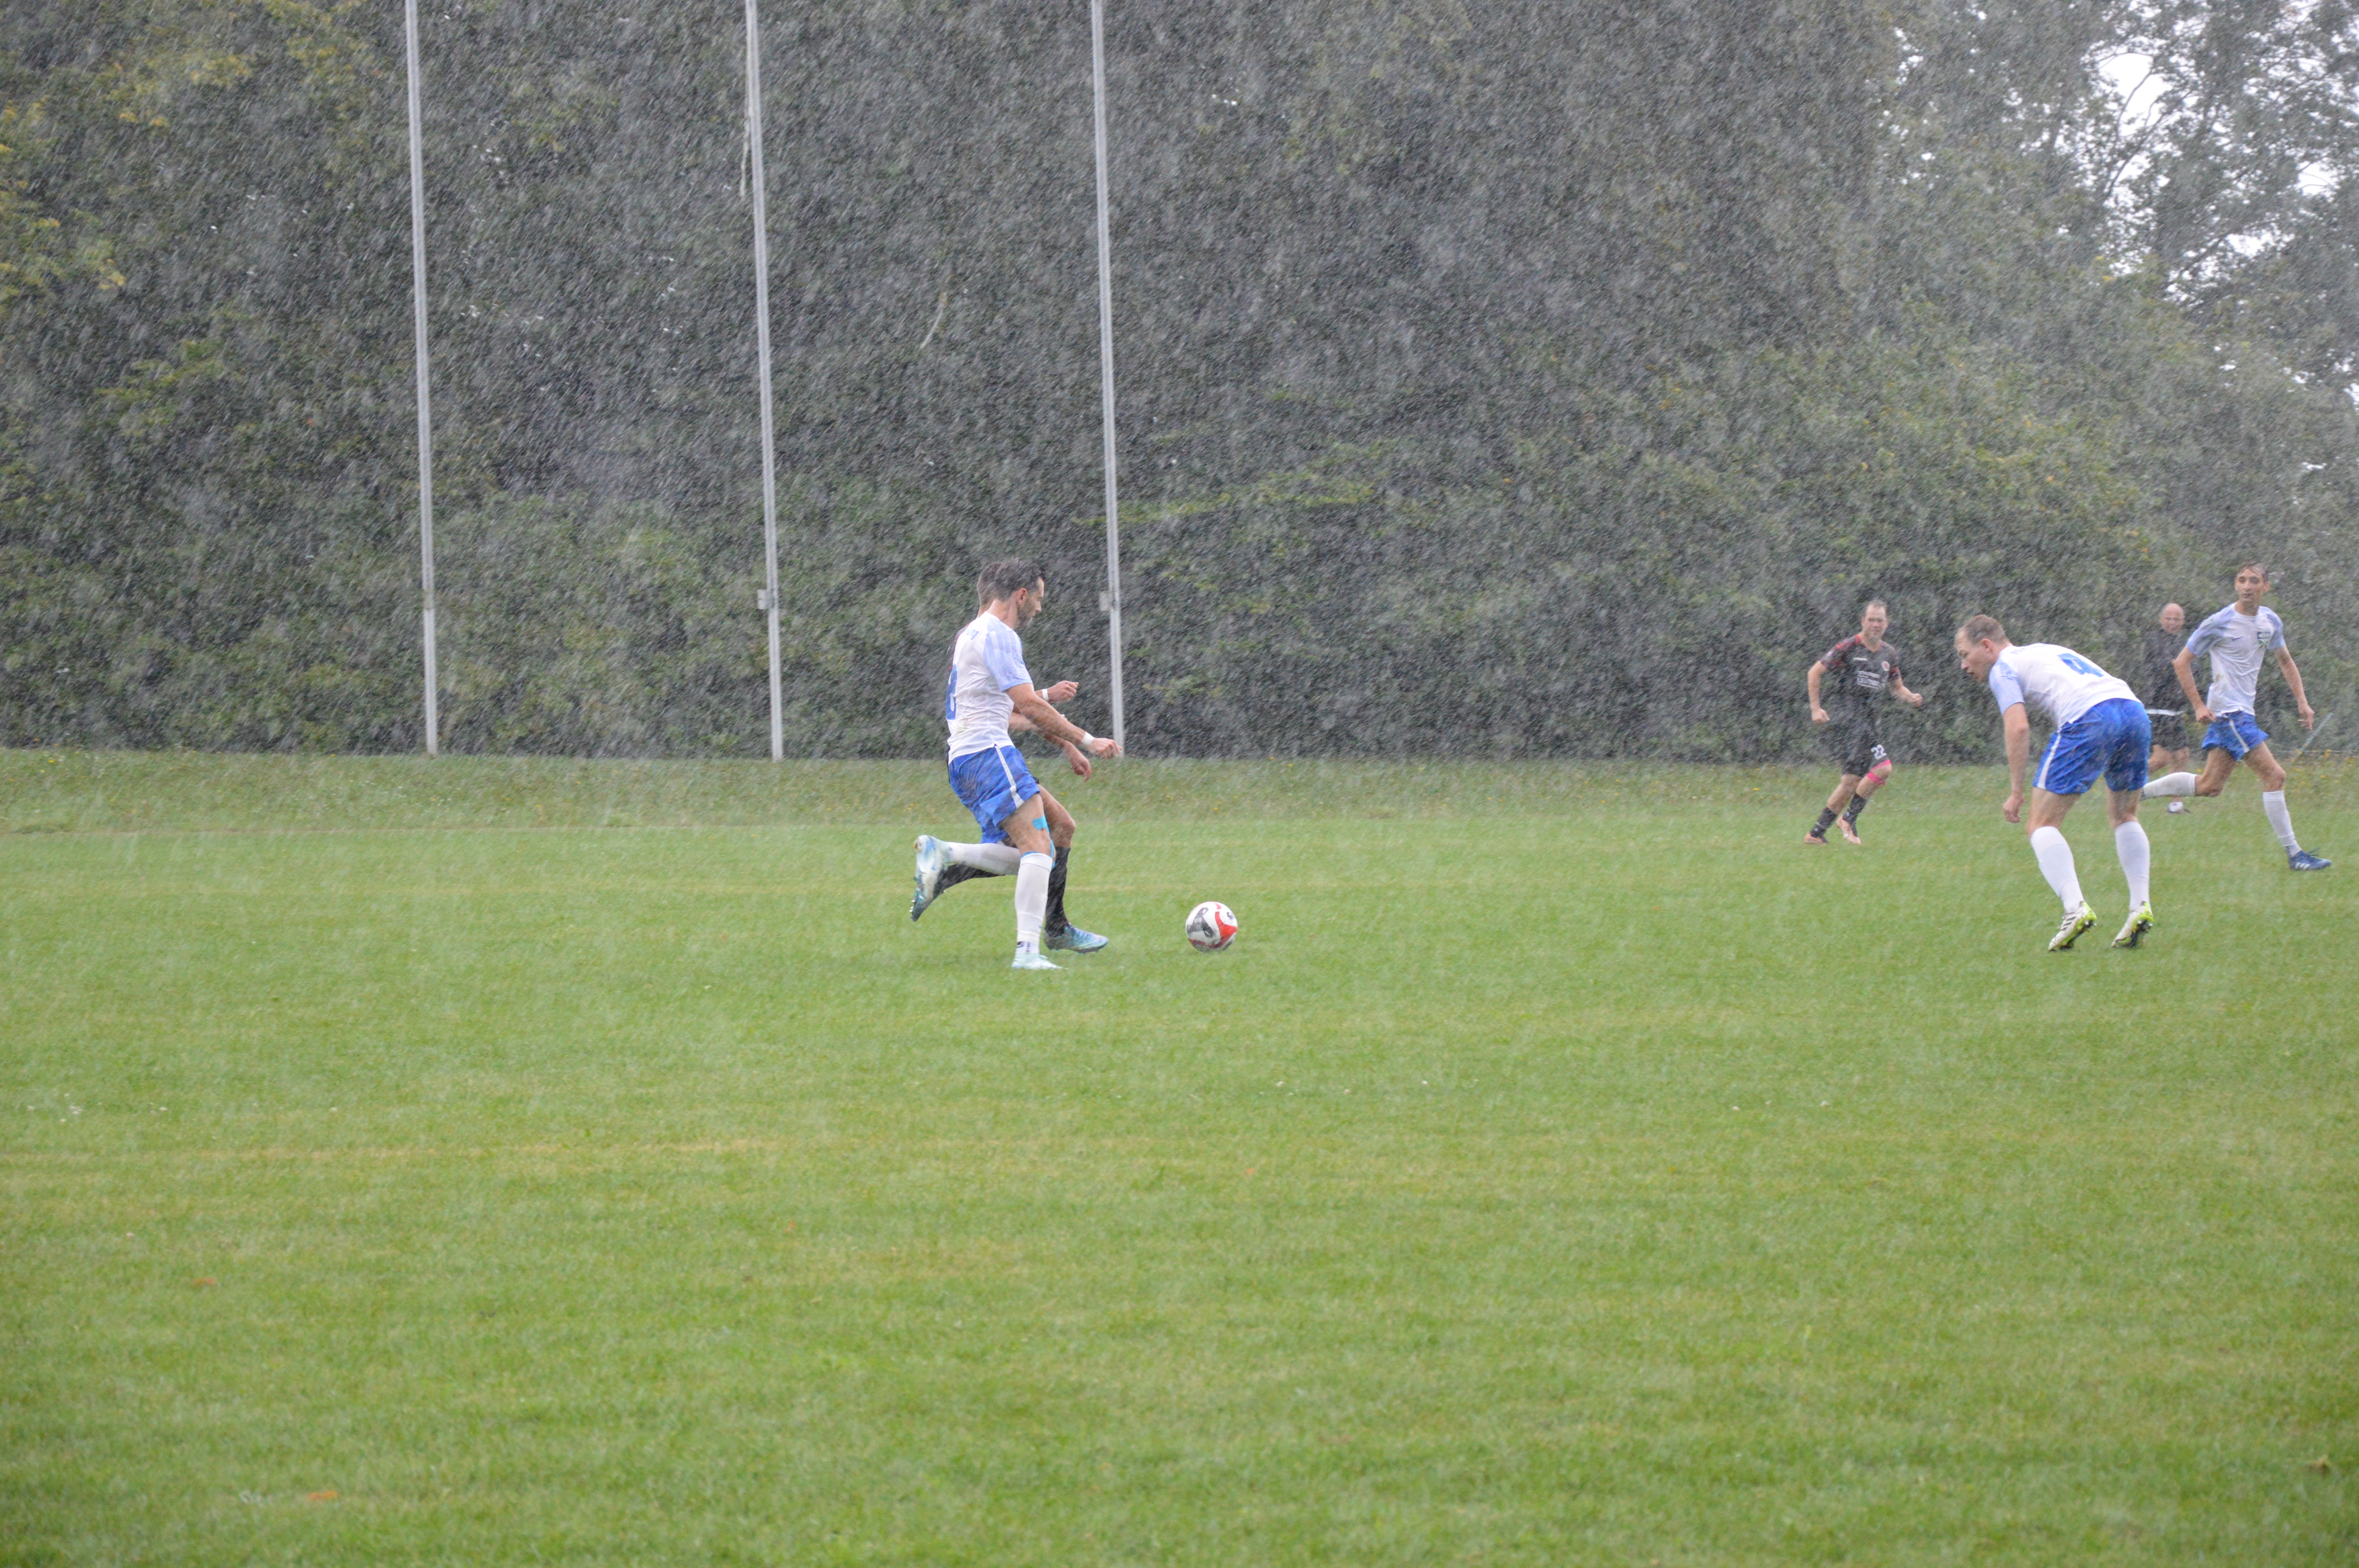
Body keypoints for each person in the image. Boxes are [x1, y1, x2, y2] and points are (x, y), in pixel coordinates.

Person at [908, 560, 1123, 969]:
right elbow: (1028, 706)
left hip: (968, 760)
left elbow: (1012, 708)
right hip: (988, 754)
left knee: (1058, 830)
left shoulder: (971, 634)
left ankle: (1053, 926)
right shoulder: (999, 635)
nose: (1040, 608)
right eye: (1038, 598)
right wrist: (1088, 741)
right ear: (1021, 595)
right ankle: (1026, 951)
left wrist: (1066, 746)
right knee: (1038, 848)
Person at [1954, 615, 2155, 951]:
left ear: (1987, 646)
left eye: (1965, 655)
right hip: (2133, 712)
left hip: (2091, 717)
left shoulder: (2003, 668)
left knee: (2040, 824)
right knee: (2124, 815)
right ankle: (2140, 906)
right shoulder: (2044, 649)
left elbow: (2018, 727)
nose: (1964, 665)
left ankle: (2075, 909)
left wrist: (2016, 791)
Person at [2140, 563, 2331, 870]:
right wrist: (2199, 705)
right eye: (2242, 580)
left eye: (2254, 581)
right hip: (2230, 714)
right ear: (2235, 585)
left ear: (2266, 587)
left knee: (2209, 786)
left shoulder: (2270, 622)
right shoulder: (2219, 622)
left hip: (2241, 713)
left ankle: (2136, 791)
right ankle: (2296, 856)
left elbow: (2285, 661)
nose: (2247, 586)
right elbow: (2181, 662)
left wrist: (2303, 702)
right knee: (2275, 776)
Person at [1805, 600, 1926, 845]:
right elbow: (1814, 672)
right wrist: (1816, 709)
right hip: (1849, 719)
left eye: (1880, 620)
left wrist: (1911, 697)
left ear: (1887, 624)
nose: (1875, 624)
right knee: (1884, 767)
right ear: (1863, 621)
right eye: (1871, 620)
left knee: (1851, 782)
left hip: (1868, 721)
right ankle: (1848, 819)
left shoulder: (1889, 654)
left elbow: (1897, 688)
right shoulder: (1849, 647)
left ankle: (1816, 834)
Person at [2142, 602, 2193, 810]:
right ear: (2161, 620)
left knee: (2181, 756)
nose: (2172, 623)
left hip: (2176, 708)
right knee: (2161, 758)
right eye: (2168, 619)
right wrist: (2182, 666)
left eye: (2176, 619)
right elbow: (2167, 668)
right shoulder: (2154, 640)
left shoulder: (2184, 643)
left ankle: (2176, 805)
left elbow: (2192, 669)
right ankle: (2125, 785)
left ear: (2183, 622)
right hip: (2158, 707)